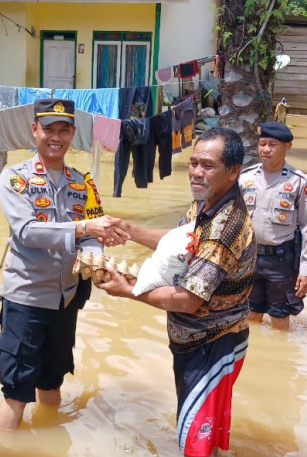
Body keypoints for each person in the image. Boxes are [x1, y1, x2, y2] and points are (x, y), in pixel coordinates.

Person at [96, 127, 255, 457]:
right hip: (203, 342)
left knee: (194, 443)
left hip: (214, 344)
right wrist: (130, 230)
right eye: (194, 162)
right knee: (204, 438)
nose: (196, 171)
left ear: (234, 171)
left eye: (208, 165)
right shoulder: (207, 203)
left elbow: (188, 298)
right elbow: (178, 243)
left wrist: (128, 290)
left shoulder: (225, 227)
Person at [0, 98, 129, 430]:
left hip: (66, 297)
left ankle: (51, 441)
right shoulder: (15, 179)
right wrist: (84, 228)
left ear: (72, 133)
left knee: (53, 380)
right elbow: (27, 232)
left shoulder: (83, 182)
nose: (56, 137)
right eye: (49, 129)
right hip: (26, 297)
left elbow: (92, 233)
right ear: (34, 130)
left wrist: (98, 255)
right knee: (16, 390)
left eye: (64, 130)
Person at [238, 122, 307, 331]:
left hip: (282, 261)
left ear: (287, 147)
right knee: (251, 312)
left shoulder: (299, 182)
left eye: (272, 144)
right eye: (262, 144)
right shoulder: (245, 178)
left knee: (279, 315)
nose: (265, 149)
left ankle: (282, 357)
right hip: (251, 258)